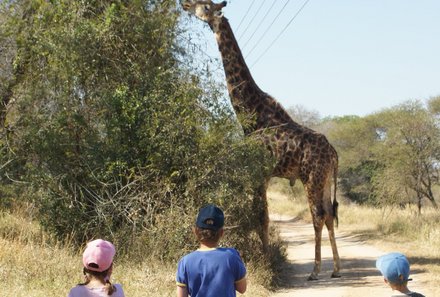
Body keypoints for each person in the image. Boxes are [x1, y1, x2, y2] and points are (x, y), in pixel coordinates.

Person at [176, 204, 247, 297]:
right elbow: (242, 289)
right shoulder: (232, 256)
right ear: (221, 233)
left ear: (196, 231)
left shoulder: (185, 262)